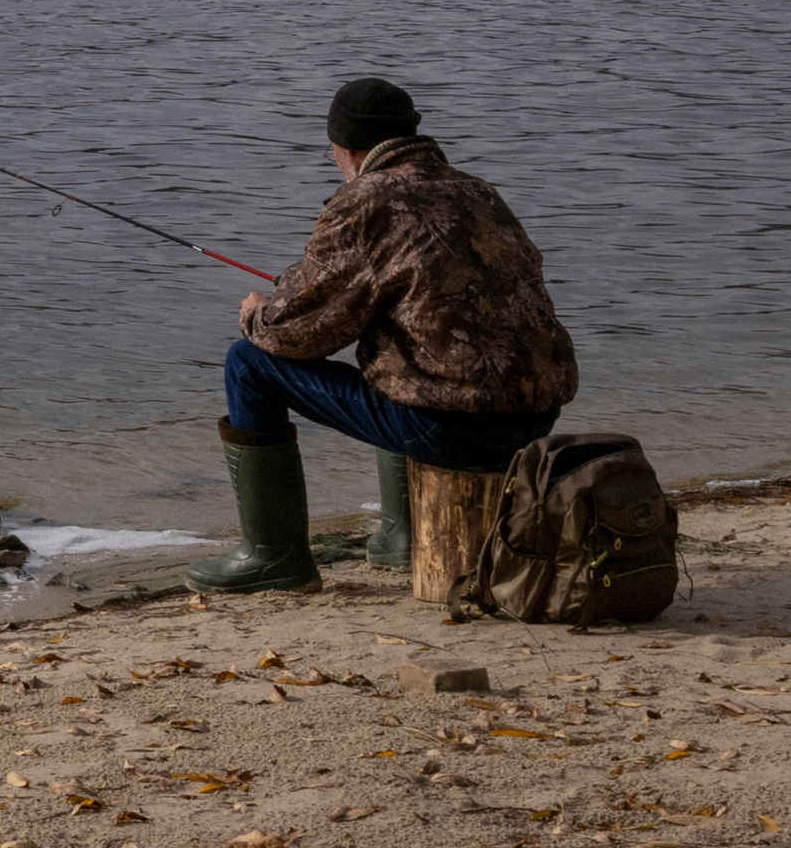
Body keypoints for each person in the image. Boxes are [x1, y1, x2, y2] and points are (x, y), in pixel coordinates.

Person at [188, 77, 577, 595]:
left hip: (456, 431)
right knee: (403, 345)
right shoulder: (477, 190)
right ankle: (402, 536)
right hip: (536, 420)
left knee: (248, 363)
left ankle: (274, 556)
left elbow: (295, 335)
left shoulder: (365, 200)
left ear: (345, 147)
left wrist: (258, 313)